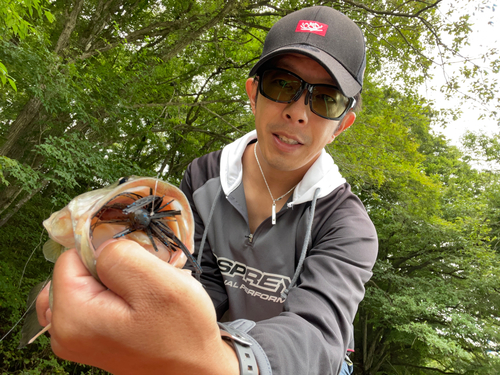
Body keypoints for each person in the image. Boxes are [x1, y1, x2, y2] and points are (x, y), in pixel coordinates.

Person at [36, 6, 378, 375]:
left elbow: (318, 331)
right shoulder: (203, 175)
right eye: (282, 83)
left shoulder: (349, 227)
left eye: (326, 98)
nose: (298, 112)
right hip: (216, 339)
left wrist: (227, 362)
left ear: (342, 125)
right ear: (253, 92)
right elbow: (203, 281)